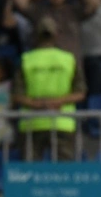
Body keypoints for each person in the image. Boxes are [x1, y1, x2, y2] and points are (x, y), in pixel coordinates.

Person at [14, 16, 87, 161]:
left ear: (35, 35)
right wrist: (57, 102)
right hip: (62, 122)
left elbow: (16, 95)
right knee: (64, 176)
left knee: (30, 176)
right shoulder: (68, 59)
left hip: (32, 122)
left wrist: (39, 105)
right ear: (56, 35)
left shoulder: (26, 59)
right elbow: (80, 92)